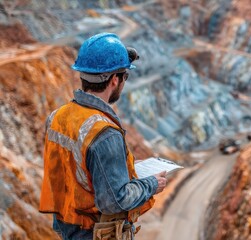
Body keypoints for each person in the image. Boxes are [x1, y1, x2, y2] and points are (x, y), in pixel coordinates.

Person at [39, 32, 167, 240]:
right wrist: (152, 184)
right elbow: (114, 200)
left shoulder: (58, 117)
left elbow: (79, 171)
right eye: (125, 76)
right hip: (95, 233)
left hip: (68, 229)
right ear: (115, 80)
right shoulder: (104, 133)